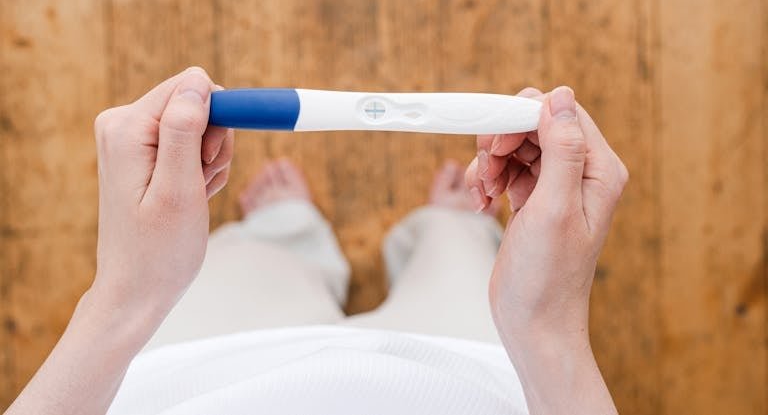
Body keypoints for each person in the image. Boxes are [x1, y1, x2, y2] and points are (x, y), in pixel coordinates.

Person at [4, 67, 628, 415]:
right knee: (459, 249)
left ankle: (285, 233)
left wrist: (125, 296)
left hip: (202, 366)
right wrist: (546, 329)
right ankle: (454, 224)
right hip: (482, 371)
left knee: (250, 256)